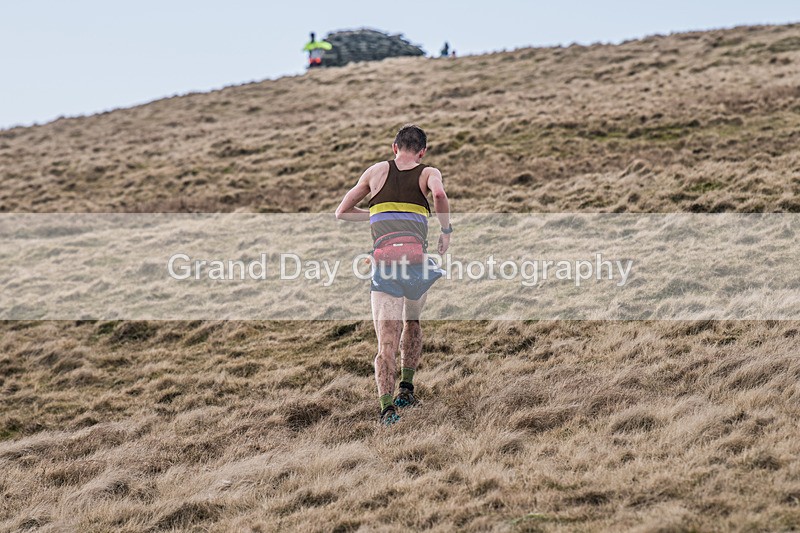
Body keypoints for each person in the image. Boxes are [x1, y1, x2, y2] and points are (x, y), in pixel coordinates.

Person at [335, 125, 452, 425]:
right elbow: (439, 194)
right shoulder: (429, 172)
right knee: (412, 321)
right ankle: (406, 390)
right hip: (416, 263)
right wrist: (446, 230)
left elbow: (342, 211)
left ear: (394, 147)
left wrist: (377, 214)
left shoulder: (375, 172)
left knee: (385, 344)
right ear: (422, 151)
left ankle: (387, 410)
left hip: (385, 265)